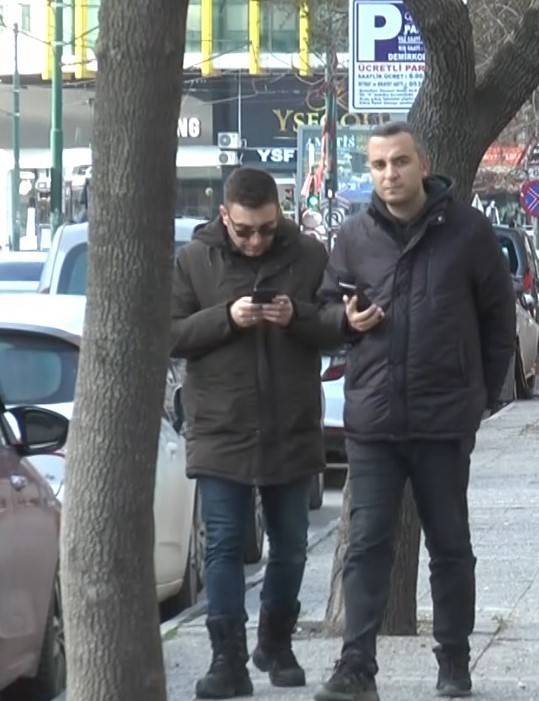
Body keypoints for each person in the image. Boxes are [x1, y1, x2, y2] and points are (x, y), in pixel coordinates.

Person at [314, 121, 517, 700]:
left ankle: (454, 660)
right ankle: (357, 666)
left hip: (443, 418)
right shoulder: (353, 236)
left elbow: (498, 321)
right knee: (367, 543)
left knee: (449, 544)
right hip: (374, 420)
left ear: (422, 164)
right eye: (378, 166)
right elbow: (327, 309)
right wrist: (343, 322)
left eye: (399, 162)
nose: (389, 175)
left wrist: (479, 396)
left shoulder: (468, 232)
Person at [170, 166, 345, 699]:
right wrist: (228, 316)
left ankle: (276, 641)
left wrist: (298, 316)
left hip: (289, 424)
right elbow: (170, 335)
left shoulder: (309, 256)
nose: (255, 241)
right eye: (244, 231)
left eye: (266, 229)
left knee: (291, 544)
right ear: (225, 217)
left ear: (280, 215)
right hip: (221, 426)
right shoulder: (195, 259)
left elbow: (338, 325)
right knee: (224, 545)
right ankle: (228, 659)